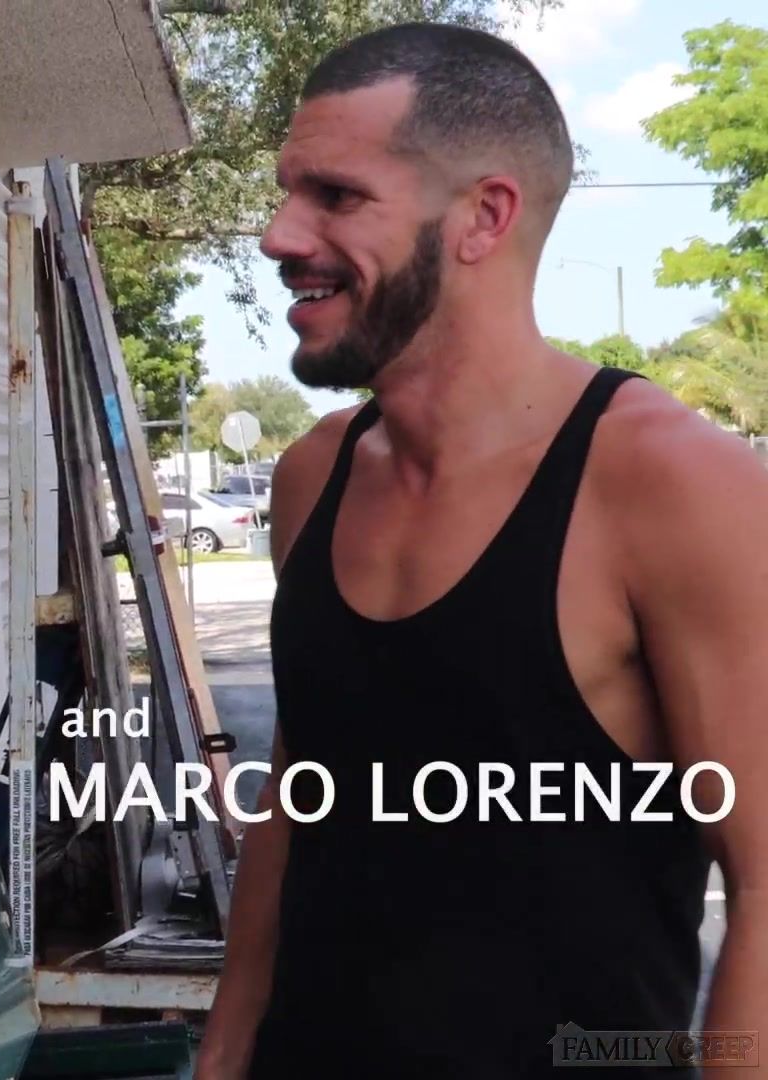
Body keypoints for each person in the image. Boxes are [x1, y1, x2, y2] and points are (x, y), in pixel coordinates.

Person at [195, 23, 764, 1078]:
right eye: (287, 193)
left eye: (336, 195)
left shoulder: (674, 485)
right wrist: (221, 1058)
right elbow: (298, 800)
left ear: (484, 217)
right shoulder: (314, 475)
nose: (278, 235)